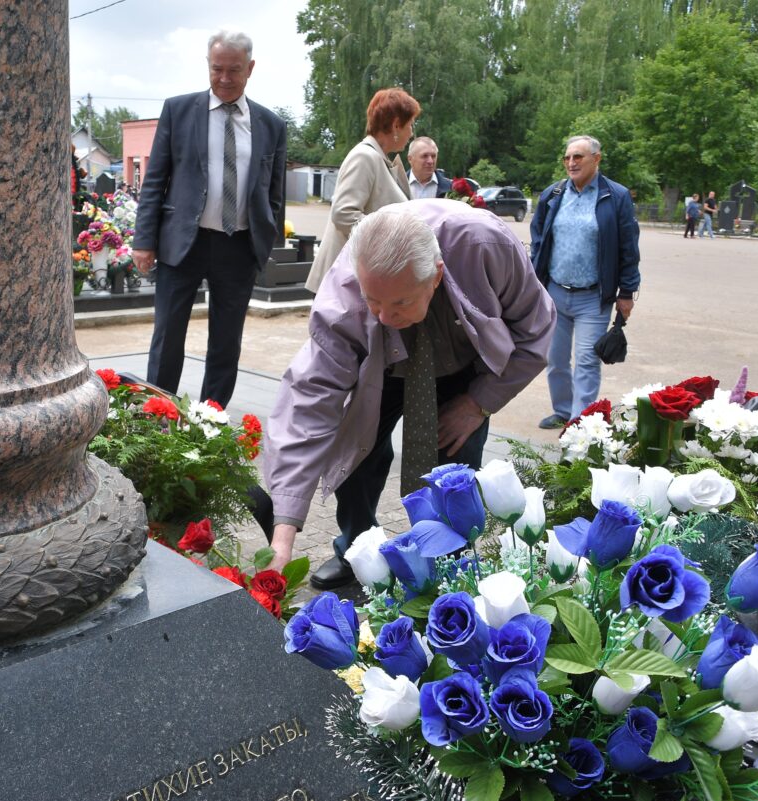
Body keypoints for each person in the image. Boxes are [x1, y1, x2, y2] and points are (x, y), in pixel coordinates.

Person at [264, 200, 555, 584]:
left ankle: (449, 569)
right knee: (354, 457)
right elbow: (306, 403)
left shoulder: (488, 247)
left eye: (400, 302)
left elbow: (536, 331)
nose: (384, 317)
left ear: (435, 277)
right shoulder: (345, 295)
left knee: (455, 472)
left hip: (463, 367)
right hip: (381, 367)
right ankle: (358, 550)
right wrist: (282, 536)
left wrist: (478, 403)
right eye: (373, 302)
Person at [132, 30, 287, 408]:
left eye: (234, 70)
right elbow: (156, 180)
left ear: (250, 68)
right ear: (208, 65)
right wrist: (143, 239)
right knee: (168, 338)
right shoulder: (179, 110)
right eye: (217, 68)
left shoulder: (271, 125)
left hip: (239, 248)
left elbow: (275, 192)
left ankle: (209, 421)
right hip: (183, 243)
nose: (224, 78)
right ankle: (159, 415)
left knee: (226, 342)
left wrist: (266, 245)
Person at [530, 135, 640, 430]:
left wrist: (626, 292)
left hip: (594, 297)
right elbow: (538, 242)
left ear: (597, 159)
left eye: (578, 157)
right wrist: (533, 282)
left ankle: (580, 423)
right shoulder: (552, 195)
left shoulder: (615, 196)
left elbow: (629, 247)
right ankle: (563, 410)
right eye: (567, 157)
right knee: (555, 360)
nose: (571, 163)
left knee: (587, 361)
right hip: (555, 292)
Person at [303, 88, 417, 293]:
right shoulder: (365, 157)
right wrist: (390, 238)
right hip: (344, 284)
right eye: (410, 125)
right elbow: (343, 214)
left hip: (356, 280)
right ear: (396, 125)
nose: (412, 133)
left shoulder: (378, 158)